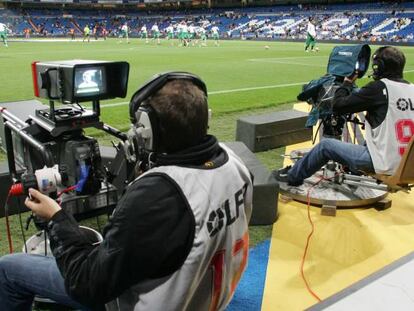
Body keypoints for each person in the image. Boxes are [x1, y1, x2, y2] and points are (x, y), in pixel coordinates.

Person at [0, 72, 253, 311]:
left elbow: (88, 284)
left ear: (147, 130)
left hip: (142, 301)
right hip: (201, 295)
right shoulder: (234, 162)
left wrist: (56, 218)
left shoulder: (158, 196)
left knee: (8, 268)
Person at [274, 46, 414, 186]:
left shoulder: (379, 88)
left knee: (325, 146)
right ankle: (354, 169)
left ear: (379, 67)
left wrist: (346, 84)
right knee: (374, 138)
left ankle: (292, 176)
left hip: (385, 163)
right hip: (408, 166)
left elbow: (339, 106)